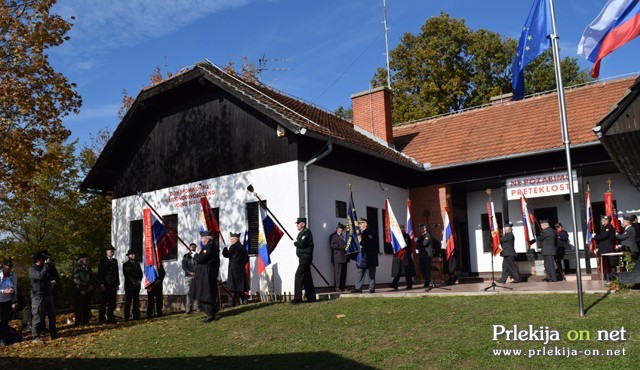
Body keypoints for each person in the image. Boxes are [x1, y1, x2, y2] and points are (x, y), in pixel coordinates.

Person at [29, 252, 58, 342]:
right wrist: (46, 266)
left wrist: (51, 266)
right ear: (37, 260)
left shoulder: (45, 267)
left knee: (52, 315)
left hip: (48, 294)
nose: (44, 261)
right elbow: (40, 276)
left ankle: (53, 333)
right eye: (43, 260)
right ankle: (35, 336)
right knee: (37, 316)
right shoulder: (32, 269)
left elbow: (54, 275)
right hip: (38, 296)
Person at [194, 231, 220, 322]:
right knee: (206, 293)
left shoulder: (209, 247)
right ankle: (212, 312)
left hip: (206, 274)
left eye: (202, 238)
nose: (201, 240)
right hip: (207, 273)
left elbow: (201, 258)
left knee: (205, 294)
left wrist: (195, 255)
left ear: (207, 239)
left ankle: (210, 314)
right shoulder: (212, 246)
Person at [222, 232, 250, 305]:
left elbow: (227, 254)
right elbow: (246, 258)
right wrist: (241, 264)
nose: (231, 241)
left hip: (234, 269)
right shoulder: (242, 247)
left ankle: (232, 301)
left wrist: (224, 249)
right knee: (239, 286)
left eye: (232, 239)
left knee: (233, 286)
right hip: (241, 268)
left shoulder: (233, 247)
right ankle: (244, 299)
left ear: (235, 239)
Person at [292, 217, 316, 304]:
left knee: (298, 275)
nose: (297, 225)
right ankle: (311, 297)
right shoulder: (301, 233)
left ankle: (297, 298)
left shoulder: (306, 232)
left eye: (298, 223)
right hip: (302, 258)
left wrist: (295, 243)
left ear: (303, 224)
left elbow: (301, 243)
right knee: (307, 277)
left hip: (305, 257)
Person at [352, 218, 378, 293]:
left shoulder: (370, 232)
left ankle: (371, 288)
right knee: (359, 272)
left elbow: (369, 243)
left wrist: (361, 237)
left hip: (369, 256)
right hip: (361, 256)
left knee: (370, 274)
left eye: (360, 223)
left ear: (365, 224)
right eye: (359, 224)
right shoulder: (359, 233)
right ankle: (358, 288)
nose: (359, 225)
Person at [98, 246, 119, 323]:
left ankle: (110, 317)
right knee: (104, 302)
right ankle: (102, 318)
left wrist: (117, 283)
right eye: (111, 251)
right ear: (106, 252)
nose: (112, 252)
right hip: (105, 284)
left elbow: (116, 273)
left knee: (112, 302)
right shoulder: (103, 261)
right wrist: (101, 284)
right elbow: (100, 273)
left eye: (113, 251)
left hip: (113, 284)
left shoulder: (115, 261)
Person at [72, 254, 94, 326]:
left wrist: (91, 285)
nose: (87, 261)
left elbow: (92, 278)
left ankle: (86, 321)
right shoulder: (77, 269)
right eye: (85, 259)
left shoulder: (89, 268)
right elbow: (77, 280)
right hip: (80, 291)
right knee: (79, 307)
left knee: (87, 307)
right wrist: (86, 286)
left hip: (88, 291)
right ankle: (78, 322)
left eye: (88, 259)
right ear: (81, 261)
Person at [0, 258, 18, 346]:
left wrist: (14, 300)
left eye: (11, 266)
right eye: (8, 266)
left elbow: (15, 288)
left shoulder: (13, 275)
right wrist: (3, 291)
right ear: (4, 265)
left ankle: (2, 338)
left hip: (7, 300)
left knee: (5, 320)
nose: (9, 268)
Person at [593, 215, 617, 281]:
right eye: (601, 220)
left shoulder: (609, 227)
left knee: (611, 262)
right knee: (605, 263)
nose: (601, 221)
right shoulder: (604, 227)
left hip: (607, 247)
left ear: (607, 221)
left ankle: (613, 276)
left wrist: (595, 236)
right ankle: (606, 276)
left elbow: (604, 236)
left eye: (603, 220)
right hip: (603, 248)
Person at [391, 226, 415, 290]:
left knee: (407, 271)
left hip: (405, 255)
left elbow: (408, 245)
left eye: (400, 230)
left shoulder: (406, 236)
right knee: (397, 271)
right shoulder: (396, 236)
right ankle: (394, 284)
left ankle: (409, 285)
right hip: (398, 256)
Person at [122, 249, 142, 321]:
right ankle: (127, 316)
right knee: (128, 301)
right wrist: (134, 282)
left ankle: (136, 315)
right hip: (129, 286)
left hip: (137, 286)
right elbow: (127, 275)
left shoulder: (137, 264)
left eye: (134, 254)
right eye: (132, 254)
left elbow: (140, 273)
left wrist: (139, 280)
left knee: (136, 301)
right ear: (129, 256)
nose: (134, 256)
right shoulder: (125, 264)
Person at [329, 222, 348, 292]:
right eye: (341, 229)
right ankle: (337, 287)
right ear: (337, 229)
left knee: (343, 273)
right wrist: (343, 247)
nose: (342, 230)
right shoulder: (333, 236)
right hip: (337, 257)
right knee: (338, 273)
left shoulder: (343, 237)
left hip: (344, 257)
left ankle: (342, 287)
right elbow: (333, 245)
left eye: (343, 229)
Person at [182, 243, 199, 313]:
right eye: (192, 247)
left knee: (197, 292)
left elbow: (200, 265)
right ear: (189, 248)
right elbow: (184, 267)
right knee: (188, 293)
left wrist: (197, 273)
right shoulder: (186, 256)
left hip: (196, 276)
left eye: (194, 247)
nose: (193, 248)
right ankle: (188, 309)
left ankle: (197, 308)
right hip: (188, 277)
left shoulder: (197, 256)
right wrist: (190, 272)